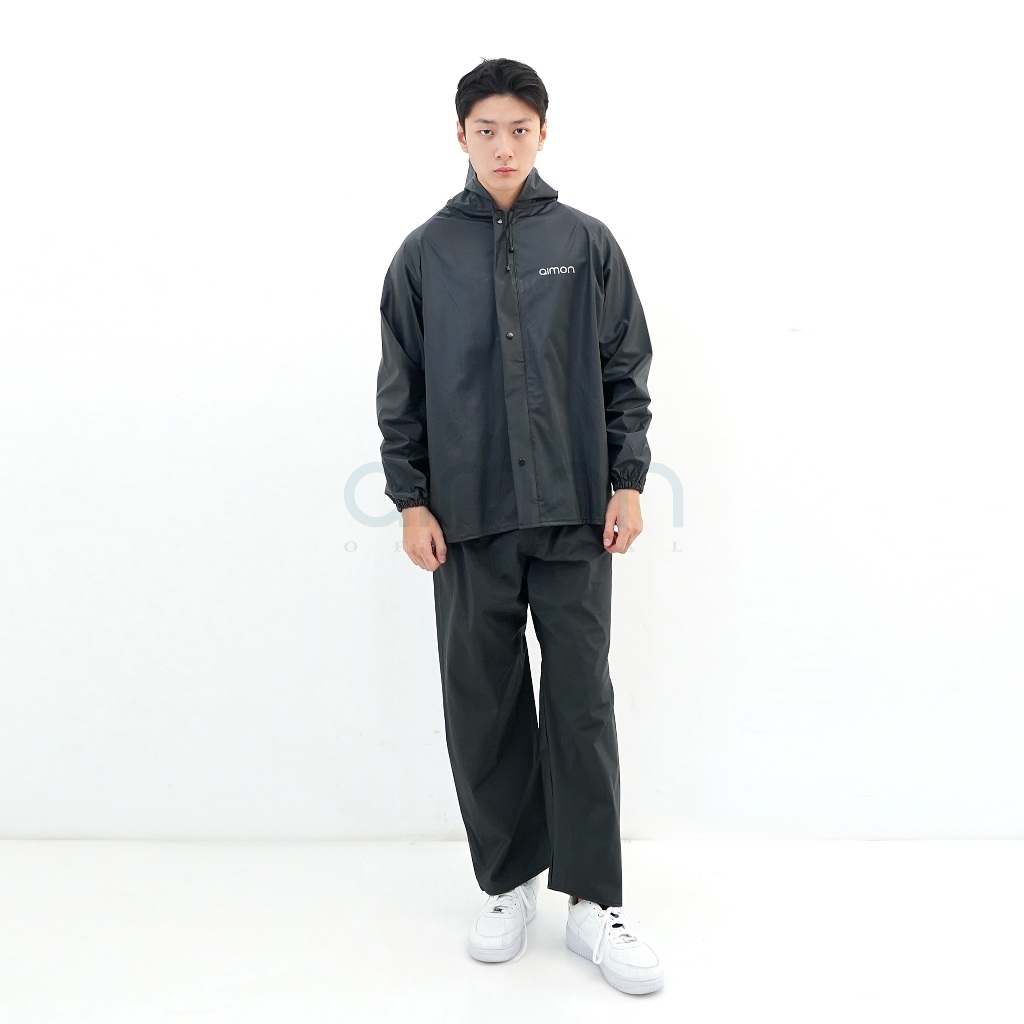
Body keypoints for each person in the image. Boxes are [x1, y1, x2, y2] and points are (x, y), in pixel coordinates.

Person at [376, 57, 662, 996]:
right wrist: (412, 499)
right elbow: (401, 388)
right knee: (484, 701)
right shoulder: (423, 255)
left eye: (520, 130)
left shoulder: (585, 244)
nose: (504, 147)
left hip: (576, 513)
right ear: (460, 136)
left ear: (544, 134)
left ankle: (593, 902)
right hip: (467, 520)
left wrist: (627, 481)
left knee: (581, 701)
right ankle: (508, 882)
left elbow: (624, 368)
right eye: (486, 130)